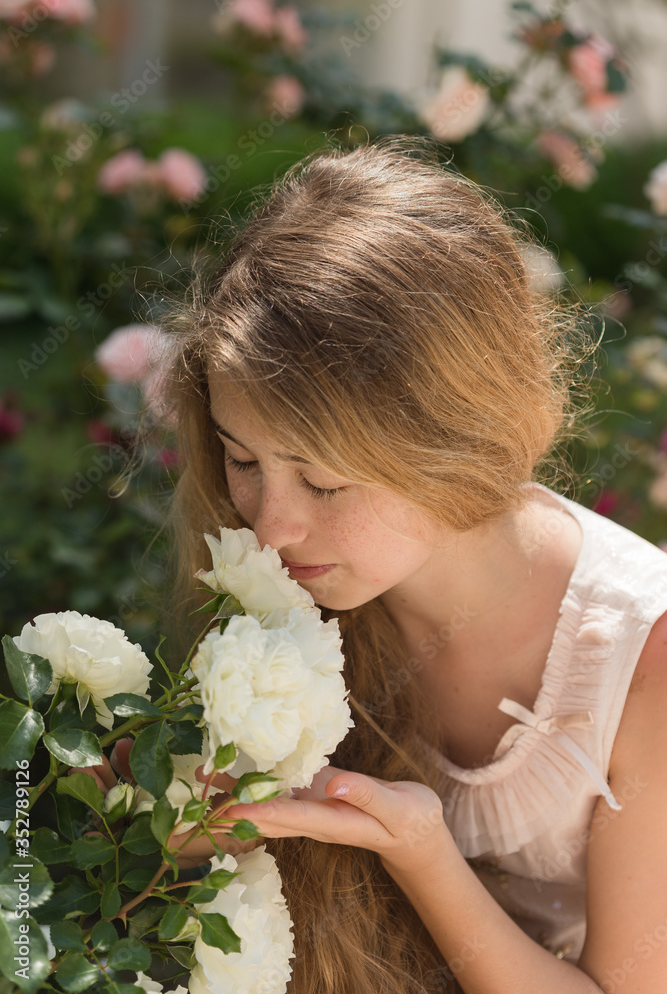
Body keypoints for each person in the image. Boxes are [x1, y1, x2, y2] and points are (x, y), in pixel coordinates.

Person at [93, 134, 667, 994]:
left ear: (456, 446)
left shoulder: (641, 661)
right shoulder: (301, 582)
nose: (271, 529)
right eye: (243, 461)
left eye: (323, 481)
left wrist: (421, 854)